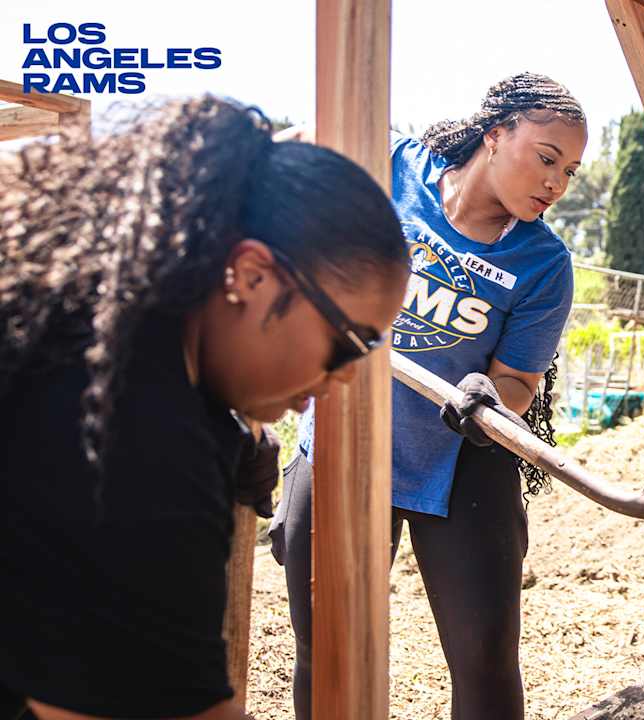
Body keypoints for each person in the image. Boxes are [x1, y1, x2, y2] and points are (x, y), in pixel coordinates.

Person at [0, 97, 409, 720]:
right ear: (250, 275)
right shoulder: (126, 435)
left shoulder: (89, 328)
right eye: (348, 344)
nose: (347, 376)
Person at [274, 73, 585, 720]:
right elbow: (298, 148)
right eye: (547, 158)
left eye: (569, 172)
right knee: (326, 649)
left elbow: (518, 383)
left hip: (459, 460)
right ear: (495, 134)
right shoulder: (392, 166)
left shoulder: (543, 264)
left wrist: (489, 397)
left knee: (484, 663)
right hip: (341, 443)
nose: (556, 183)